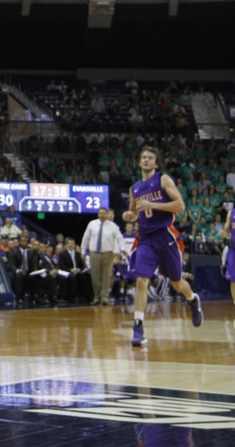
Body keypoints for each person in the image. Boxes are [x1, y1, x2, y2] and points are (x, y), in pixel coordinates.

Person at [123, 145, 203, 347]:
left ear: (156, 164)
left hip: (165, 236)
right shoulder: (134, 189)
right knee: (141, 280)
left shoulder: (163, 179)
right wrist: (129, 216)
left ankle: (192, 299)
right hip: (146, 239)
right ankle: (138, 327)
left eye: (150, 157)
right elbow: (134, 213)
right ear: (139, 162)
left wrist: (153, 205)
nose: (146, 160)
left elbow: (180, 206)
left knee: (176, 282)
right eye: (144, 157)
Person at [80, 207, 121, 305]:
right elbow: (86, 237)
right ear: (98, 214)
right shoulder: (92, 224)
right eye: (100, 213)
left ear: (106, 214)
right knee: (95, 276)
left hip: (108, 252)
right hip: (94, 252)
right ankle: (96, 297)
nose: (102, 215)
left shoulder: (113, 226)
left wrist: (121, 250)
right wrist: (83, 251)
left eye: (103, 213)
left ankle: (105, 297)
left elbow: (119, 238)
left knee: (106, 276)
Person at [219, 205, 235, 307]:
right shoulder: (231, 213)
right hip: (233, 250)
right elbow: (226, 229)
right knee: (233, 280)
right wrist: (224, 232)